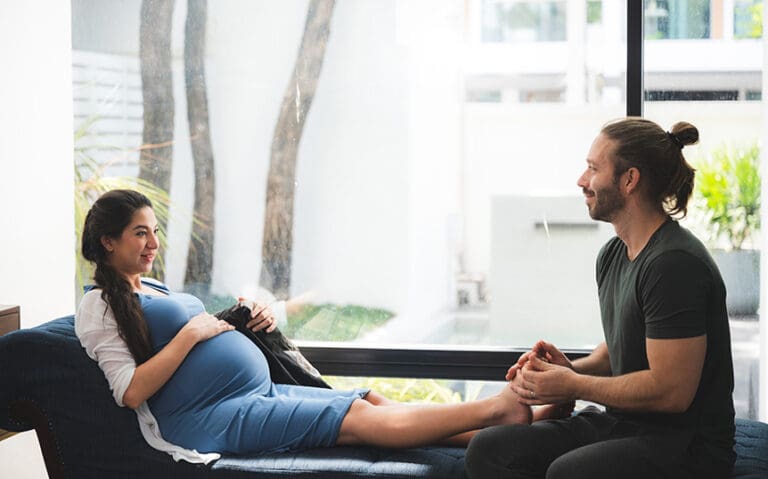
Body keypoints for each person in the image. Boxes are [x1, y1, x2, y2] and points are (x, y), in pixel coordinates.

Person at [76, 189, 532, 464]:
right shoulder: (97, 306)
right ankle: (495, 412)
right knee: (356, 420)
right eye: (140, 233)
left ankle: (507, 434)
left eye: (155, 231)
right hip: (209, 418)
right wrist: (194, 334)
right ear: (108, 241)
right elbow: (130, 391)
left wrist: (249, 321)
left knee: (365, 398)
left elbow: (193, 335)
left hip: (248, 394)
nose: (154, 242)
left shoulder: (150, 287)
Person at [465, 118, 736, 479]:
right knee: (490, 450)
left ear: (629, 180)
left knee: (568, 473)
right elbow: (620, 349)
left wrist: (573, 385)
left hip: (687, 445)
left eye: (593, 168)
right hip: (628, 425)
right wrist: (566, 371)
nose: (581, 180)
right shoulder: (614, 254)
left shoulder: (674, 264)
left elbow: (672, 392)